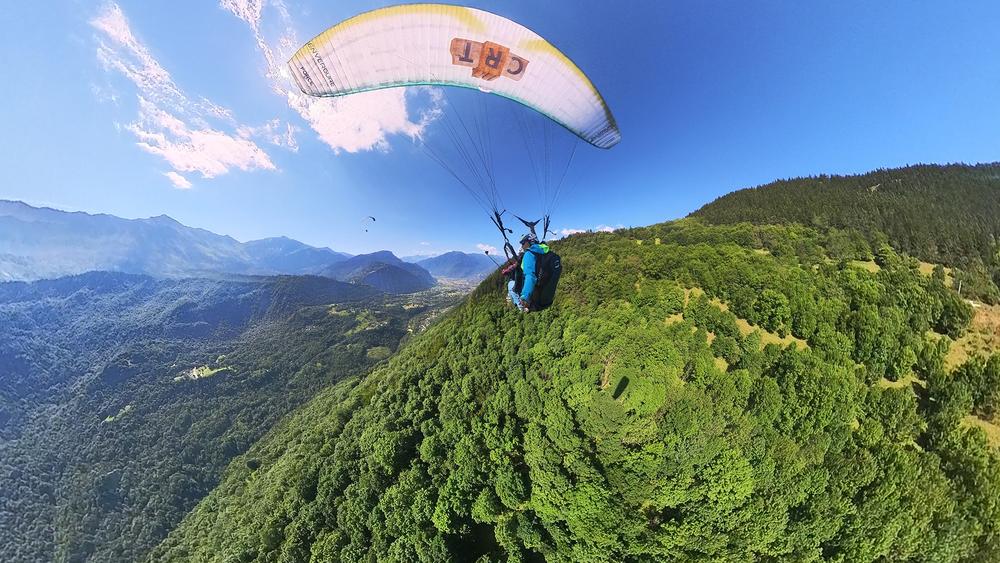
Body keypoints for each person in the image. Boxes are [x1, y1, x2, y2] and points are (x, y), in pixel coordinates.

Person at [504, 233, 555, 312]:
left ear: (529, 242)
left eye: (523, 243)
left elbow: (530, 276)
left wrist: (525, 297)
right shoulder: (546, 252)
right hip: (546, 295)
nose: (522, 246)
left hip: (534, 299)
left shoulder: (529, 254)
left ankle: (521, 307)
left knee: (510, 284)